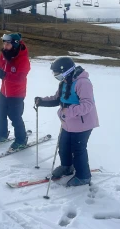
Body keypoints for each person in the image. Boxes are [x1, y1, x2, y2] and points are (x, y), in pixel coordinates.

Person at [34, 57, 99, 187]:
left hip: (83, 124)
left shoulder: (83, 83)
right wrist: (42, 101)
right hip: (68, 123)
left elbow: (87, 105)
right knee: (63, 146)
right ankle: (67, 167)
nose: (56, 77)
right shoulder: (64, 81)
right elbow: (58, 99)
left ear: (67, 71)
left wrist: (68, 111)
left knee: (78, 150)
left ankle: (83, 176)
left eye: (57, 74)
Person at [0, 33, 30, 151]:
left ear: (15, 44)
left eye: (8, 44)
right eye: (4, 43)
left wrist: (4, 75)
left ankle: (21, 140)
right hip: (4, 91)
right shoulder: (4, 54)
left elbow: (20, 78)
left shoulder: (23, 59)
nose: (5, 46)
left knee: (15, 116)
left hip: (16, 93)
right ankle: (2, 134)